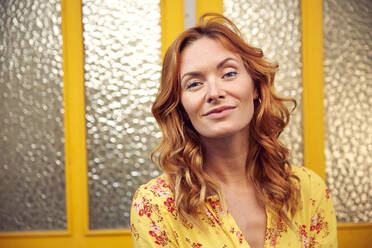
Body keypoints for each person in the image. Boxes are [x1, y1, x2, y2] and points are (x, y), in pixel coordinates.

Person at [130, 13, 337, 248]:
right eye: (194, 84)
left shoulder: (308, 190)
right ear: (180, 107)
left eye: (229, 73)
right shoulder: (155, 205)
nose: (214, 92)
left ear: (255, 86)